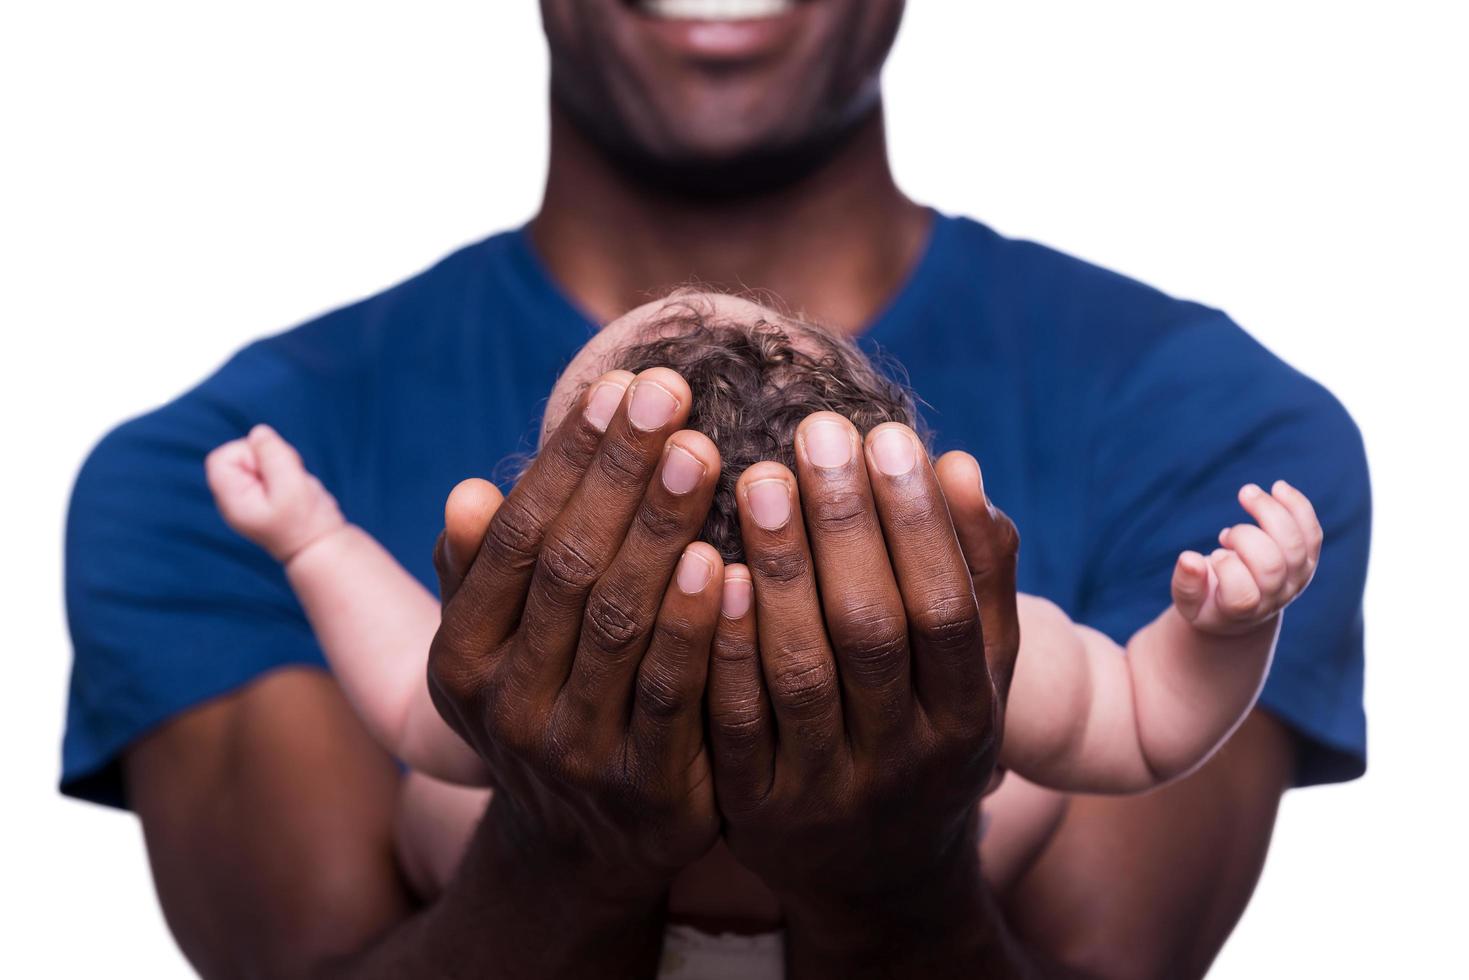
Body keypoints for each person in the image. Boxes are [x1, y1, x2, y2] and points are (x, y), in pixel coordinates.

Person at [62, 2, 1371, 976]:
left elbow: (1140, 721)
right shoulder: (188, 479)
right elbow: (427, 700)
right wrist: (544, 829)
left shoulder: (1192, 454)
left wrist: (1217, 626)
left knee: (1021, 784)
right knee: (445, 795)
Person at [204, 293, 1322, 924]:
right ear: (901, 507)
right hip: (886, 916)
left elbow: (408, 685)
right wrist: (1223, 627)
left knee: (436, 804)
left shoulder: (528, 679)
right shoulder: (982, 657)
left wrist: (316, 540)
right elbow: (1139, 721)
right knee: (1022, 789)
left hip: (631, 934)